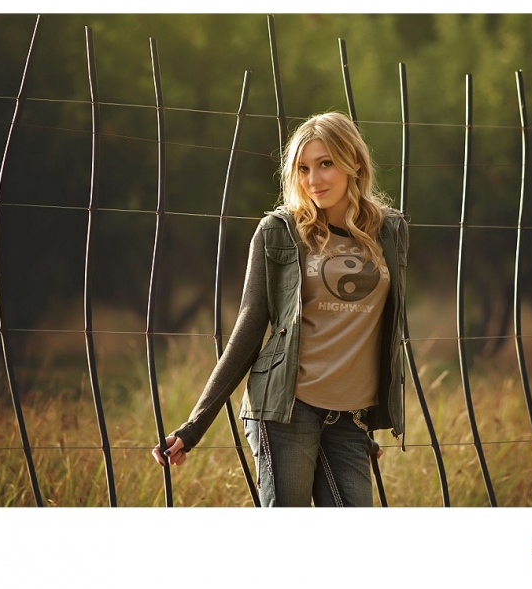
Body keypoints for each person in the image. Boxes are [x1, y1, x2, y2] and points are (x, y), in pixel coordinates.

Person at [152, 111, 408, 507]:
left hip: (350, 419)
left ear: (354, 162)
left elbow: (386, 330)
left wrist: (371, 420)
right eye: (303, 168)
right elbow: (251, 327)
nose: (313, 180)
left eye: (325, 164)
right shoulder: (280, 231)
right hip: (286, 411)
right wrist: (194, 426)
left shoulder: (389, 230)